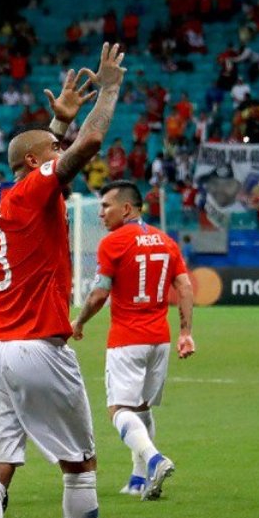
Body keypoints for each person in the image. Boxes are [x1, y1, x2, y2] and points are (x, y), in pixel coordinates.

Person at [0, 44, 133, 518]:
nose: (59, 153)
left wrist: (57, 118)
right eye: (51, 151)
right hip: (37, 345)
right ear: (40, 160)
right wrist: (109, 89)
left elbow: (40, 152)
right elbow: (84, 146)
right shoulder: (38, 185)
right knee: (79, 464)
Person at [71, 180, 195, 499]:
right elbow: (184, 286)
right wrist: (185, 332)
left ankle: (154, 460)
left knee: (118, 410)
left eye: (106, 206)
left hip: (127, 339)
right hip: (160, 340)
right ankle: (139, 480)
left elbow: (99, 294)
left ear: (126, 208)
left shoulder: (114, 243)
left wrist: (79, 321)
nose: (100, 213)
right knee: (140, 409)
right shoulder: (166, 241)